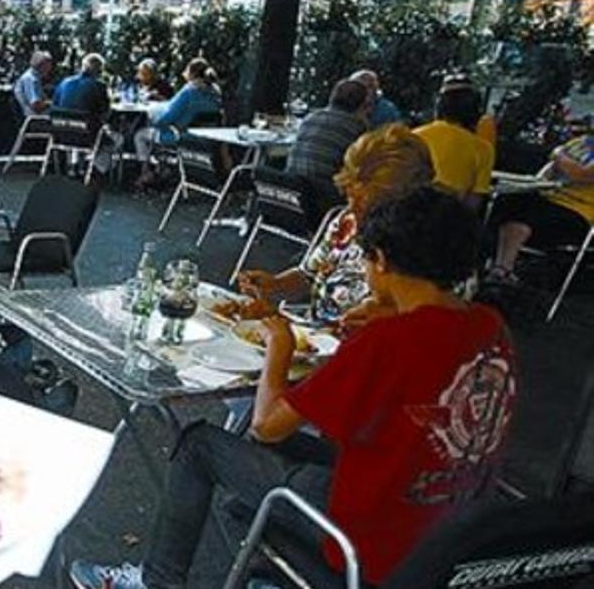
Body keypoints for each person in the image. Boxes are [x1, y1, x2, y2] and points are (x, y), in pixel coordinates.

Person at [71, 186, 516, 589]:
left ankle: (157, 582)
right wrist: (391, 315)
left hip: (371, 543)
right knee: (249, 468)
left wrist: (278, 342)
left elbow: (268, 425)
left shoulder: (387, 341)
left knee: (201, 445)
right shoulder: (490, 325)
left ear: (380, 260)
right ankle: (269, 574)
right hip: (450, 525)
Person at [239, 124, 435, 327]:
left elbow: (431, 327)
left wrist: (390, 320)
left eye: (366, 206)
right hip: (314, 338)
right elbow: (310, 275)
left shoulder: (423, 250)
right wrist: (275, 284)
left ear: (405, 203)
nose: (352, 209)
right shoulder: (345, 223)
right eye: (350, 196)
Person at [485, 133, 594, 286]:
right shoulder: (582, 141)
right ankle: (488, 262)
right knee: (505, 197)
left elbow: (580, 174)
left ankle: (502, 269)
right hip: (548, 195)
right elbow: (548, 170)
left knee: (528, 211)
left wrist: (557, 154)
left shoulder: (571, 148)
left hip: (577, 210)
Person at [133, 58, 222, 188]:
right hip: (206, 139)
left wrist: (153, 118)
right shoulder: (215, 93)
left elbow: (166, 118)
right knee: (155, 133)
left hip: (179, 136)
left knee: (140, 135)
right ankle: (163, 170)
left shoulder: (189, 91)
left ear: (191, 73)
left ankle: (146, 173)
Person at [413, 80, 494, 210]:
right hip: (450, 220)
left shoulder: (414, 136)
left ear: (439, 107)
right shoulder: (483, 148)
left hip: (408, 217)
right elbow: (474, 201)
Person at [285, 78, 370, 199]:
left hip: (291, 188)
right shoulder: (356, 127)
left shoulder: (310, 118)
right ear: (363, 104)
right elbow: (361, 168)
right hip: (323, 194)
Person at [53, 52, 110, 119]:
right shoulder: (100, 86)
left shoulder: (64, 82)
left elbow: (55, 104)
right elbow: (105, 112)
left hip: (60, 124)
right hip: (85, 125)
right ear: (99, 70)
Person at [13, 50, 52, 117]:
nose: (50, 68)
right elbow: (36, 106)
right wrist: (50, 104)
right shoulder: (30, 79)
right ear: (41, 65)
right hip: (32, 118)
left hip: (36, 115)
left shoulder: (35, 78)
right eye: (48, 65)